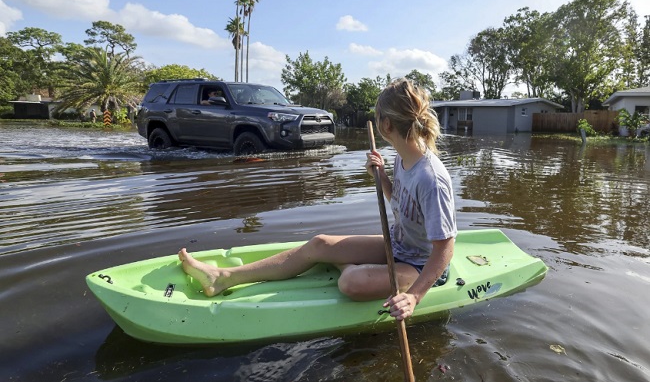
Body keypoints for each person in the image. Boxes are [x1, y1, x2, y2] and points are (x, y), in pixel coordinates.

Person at [178, 79, 456, 321]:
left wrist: (415, 297)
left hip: (420, 264)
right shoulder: (401, 158)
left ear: (385, 124)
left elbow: (445, 248)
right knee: (320, 243)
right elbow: (402, 205)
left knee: (351, 282)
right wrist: (381, 176)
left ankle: (356, 268)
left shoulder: (431, 178)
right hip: (397, 245)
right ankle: (224, 277)